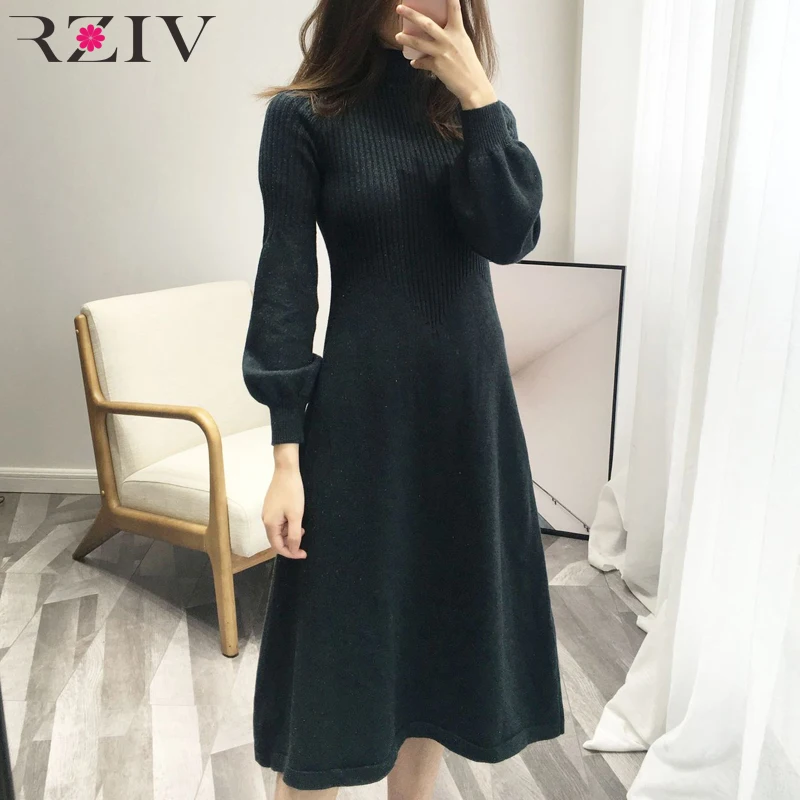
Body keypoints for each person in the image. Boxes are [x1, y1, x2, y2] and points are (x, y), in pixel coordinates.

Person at [241, 0, 565, 797]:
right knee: (332, 653)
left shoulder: (470, 114)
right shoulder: (305, 116)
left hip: (468, 417)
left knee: (440, 641)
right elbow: (286, 282)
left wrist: (479, 98)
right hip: (361, 419)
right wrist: (286, 456)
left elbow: (512, 238)